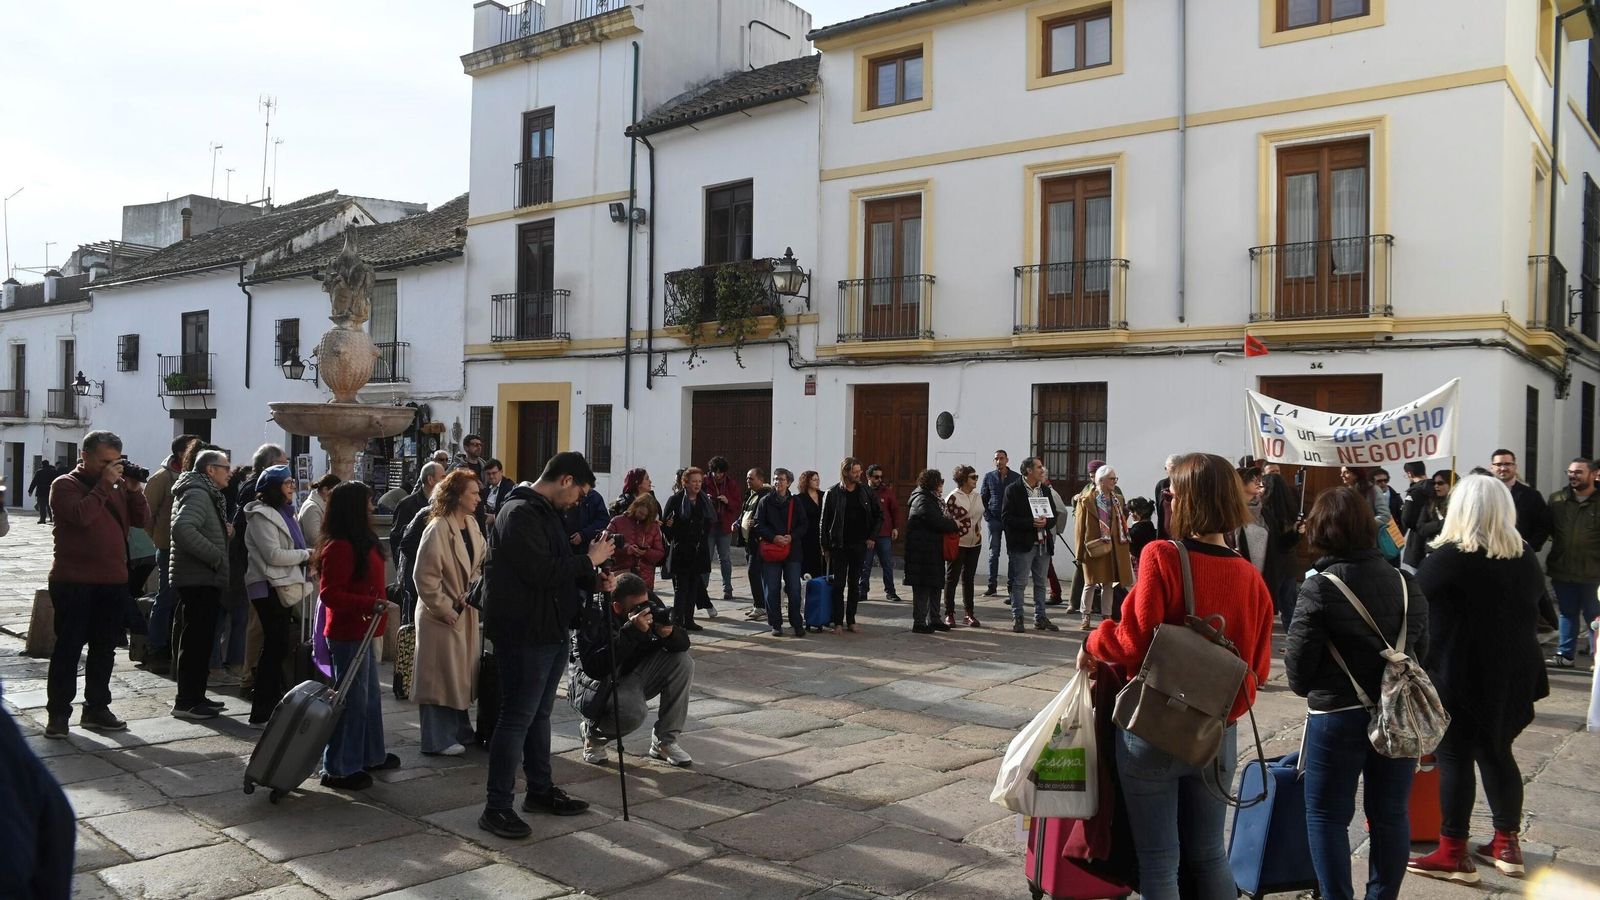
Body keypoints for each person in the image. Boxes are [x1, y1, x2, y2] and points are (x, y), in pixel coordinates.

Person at [1079, 452, 1275, 900]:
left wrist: (1092, 643)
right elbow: (1257, 672)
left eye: (1172, 490)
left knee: (1160, 863)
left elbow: (1131, 640)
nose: (1167, 496)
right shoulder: (1251, 578)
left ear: (1188, 501)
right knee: (1209, 856)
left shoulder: (1162, 556)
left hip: (1154, 729)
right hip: (1216, 733)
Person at [1287, 486, 1429, 900]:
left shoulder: (1319, 588)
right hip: (1397, 715)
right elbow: (1423, 654)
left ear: (1320, 531)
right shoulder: (1408, 585)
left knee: (1328, 816)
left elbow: (1297, 675)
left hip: (1337, 716)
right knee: (1389, 815)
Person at [1410, 474, 1548, 883]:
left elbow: (1413, 599)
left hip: (1462, 672)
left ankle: (1453, 851)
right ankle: (1507, 845)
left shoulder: (1453, 555)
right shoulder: (1522, 555)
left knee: (1455, 756)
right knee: (1497, 751)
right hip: (1513, 674)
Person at [479, 452, 616, 839]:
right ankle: (496, 806)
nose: (578, 502)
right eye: (580, 493)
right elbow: (540, 572)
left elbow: (560, 565)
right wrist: (588, 561)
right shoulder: (519, 512)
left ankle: (539, 790)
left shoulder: (545, 511)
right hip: (524, 632)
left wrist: (592, 577)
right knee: (516, 717)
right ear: (566, 480)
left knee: (539, 715)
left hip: (551, 627)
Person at [42, 431, 149, 738]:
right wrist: (105, 484)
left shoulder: (116, 486)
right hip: (73, 582)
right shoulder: (63, 485)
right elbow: (81, 516)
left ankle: (97, 708)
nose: (112, 467)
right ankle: (59, 714)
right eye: (105, 461)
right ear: (84, 455)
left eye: (116, 461)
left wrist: (132, 490)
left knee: (104, 649)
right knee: (68, 649)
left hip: (112, 581)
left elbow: (141, 520)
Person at [316, 481, 398, 789]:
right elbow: (330, 595)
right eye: (367, 502)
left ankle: (369, 754)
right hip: (349, 633)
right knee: (351, 701)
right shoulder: (339, 546)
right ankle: (339, 767)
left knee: (370, 698)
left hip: (364, 629)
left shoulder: (362, 540)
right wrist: (371, 603)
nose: (373, 507)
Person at [571, 573, 693, 767]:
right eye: (637, 608)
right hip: (601, 683)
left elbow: (683, 643)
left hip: (635, 672)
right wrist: (632, 631)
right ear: (617, 607)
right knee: (633, 713)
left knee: (682, 661)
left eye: (646, 603)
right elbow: (595, 667)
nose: (645, 609)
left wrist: (669, 634)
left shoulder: (647, 600)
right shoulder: (594, 611)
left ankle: (665, 741)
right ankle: (593, 736)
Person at [411, 469, 485, 757]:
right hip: (440, 615)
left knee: (459, 675)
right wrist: (444, 608)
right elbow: (424, 576)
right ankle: (437, 739)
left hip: (464, 610)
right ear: (456, 496)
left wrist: (474, 590)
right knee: (438, 678)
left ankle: (460, 730)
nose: (479, 497)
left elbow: (479, 562)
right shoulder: (438, 527)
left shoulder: (471, 523)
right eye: (474, 493)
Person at [242, 465, 313, 726]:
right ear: (274, 488)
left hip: (281, 584)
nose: (292, 487)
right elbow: (273, 555)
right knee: (275, 644)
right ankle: (262, 707)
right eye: (287, 483)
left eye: (292, 482)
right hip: (267, 586)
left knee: (279, 643)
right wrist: (308, 555)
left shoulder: (286, 514)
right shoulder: (262, 516)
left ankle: (271, 701)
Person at [168, 447, 232, 721]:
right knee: (195, 642)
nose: (230, 472)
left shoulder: (205, 493)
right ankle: (186, 702)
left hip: (202, 577)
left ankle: (196, 695)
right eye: (225, 467)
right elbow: (182, 529)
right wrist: (215, 555)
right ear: (210, 470)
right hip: (198, 578)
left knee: (201, 641)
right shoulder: (197, 492)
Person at [142, 434, 200, 673]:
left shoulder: (195, 476)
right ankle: (156, 648)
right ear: (181, 454)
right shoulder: (162, 478)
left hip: (189, 550)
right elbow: (146, 515)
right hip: (167, 549)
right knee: (165, 598)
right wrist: (159, 538)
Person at [1545, 457, 1600, 668]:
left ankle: (1597, 657)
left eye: (1578, 472)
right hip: (1563, 570)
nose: (1573, 476)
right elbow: (1546, 528)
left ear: (1593, 474)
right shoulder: (1557, 500)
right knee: (1567, 613)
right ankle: (1565, 655)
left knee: (1594, 616)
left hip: (1594, 572)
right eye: (1570, 472)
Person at [1236, 468, 1303, 630]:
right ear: (1240, 483)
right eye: (1254, 478)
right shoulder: (1231, 511)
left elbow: (1278, 544)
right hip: (1240, 580)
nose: (1259, 482)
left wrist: (1295, 533)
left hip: (1263, 579)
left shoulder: (1264, 511)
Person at [820, 457, 881, 633]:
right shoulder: (832, 493)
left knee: (855, 584)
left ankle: (851, 620)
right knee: (838, 584)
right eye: (855, 472)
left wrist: (872, 536)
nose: (858, 474)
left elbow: (878, 515)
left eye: (859, 471)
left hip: (860, 545)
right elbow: (823, 523)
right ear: (846, 472)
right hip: (839, 545)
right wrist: (825, 547)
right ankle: (837, 621)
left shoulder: (866, 491)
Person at [1003, 457, 1060, 633]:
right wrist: (1030, 522)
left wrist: (1046, 523)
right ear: (1028, 470)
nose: (1042, 470)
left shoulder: (1044, 490)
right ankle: (1018, 617)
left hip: (1043, 543)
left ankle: (1040, 617)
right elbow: (1006, 518)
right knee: (1019, 582)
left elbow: (1053, 515)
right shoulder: (1013, 490)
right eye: (1038, 467)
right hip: (1023, 544)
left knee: (1041, 583)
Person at [1074, 465, 1132, 630]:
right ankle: (1085, 616)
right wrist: (1079, 553)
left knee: (1109, 583)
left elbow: (1121, 522)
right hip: (1093, 547)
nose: (1115, 482)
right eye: (1112, 479)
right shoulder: (1086, 500)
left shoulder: (1118, 499)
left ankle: (1107, 616)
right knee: (1090, 583)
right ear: (1101, 480)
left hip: (1113, 547)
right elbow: (1079, 528)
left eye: (1115, 479)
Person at [753, 469, 808, 637]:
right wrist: (773, 537)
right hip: (771, 550)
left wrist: (791, 537)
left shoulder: (796, 502)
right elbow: (758, 523)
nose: (778, 482)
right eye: (776, 479)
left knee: (794, 587)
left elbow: (804, 524)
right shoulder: (765, 501)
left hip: (792, 550)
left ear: (789, 482)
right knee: (771, 588)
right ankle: (775, 623)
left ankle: (796, 623)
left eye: (782, 479)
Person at [904, 468, 958, 634]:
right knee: (922, 587)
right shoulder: (922, 499)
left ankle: (934, 619)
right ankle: (919, 622)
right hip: (921, 552)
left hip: (932, 549)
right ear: (932, 483)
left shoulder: (932, 498)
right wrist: (953, 524)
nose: (942, 485)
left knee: (935, 585)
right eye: (939, 481)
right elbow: (935, 521)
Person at [663, 467, 717, 632]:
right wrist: (670, 526)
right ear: (685, 482)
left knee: (694, 586)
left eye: (700, 481)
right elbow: (666, 527)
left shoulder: (704, 501)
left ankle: (689, 619)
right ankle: (678, 620)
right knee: (681, 587)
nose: (697, 485)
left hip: (698, 550)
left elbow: (708, 524)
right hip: (681, 549)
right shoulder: (675, 500)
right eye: (694, 481)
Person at [943, 465, 984, 627]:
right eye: (973, 477)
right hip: (958, 542)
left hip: (975, 542)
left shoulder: (978, 495)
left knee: (969, 579)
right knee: (952, 578)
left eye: (976, 477)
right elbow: (947, 521)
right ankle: (949, 613)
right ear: (963, 479)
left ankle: (969, 614)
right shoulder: (953, 498)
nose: (976, 480)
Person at [860, 465, 904, 603]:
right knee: (865, 565)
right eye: (876, 477)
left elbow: (895, 509)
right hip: (867, 535)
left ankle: (890, 592)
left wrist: (896, 527)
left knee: (887, 564)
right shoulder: (862, 491)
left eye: (881, 477)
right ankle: (862, 591)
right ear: (868, 477)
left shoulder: (886, 492)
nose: (879, 479)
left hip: (884, 533)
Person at [980, 450, 1020, 596]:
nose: (999, 461)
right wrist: (987, 516)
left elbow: (1019, 499)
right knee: (993, 553)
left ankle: (1011, 587)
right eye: (996, 459)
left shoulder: (1016, 477)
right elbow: (983, 497)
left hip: (1010, 521)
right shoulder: (989, 477)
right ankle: (992, 586)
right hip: (994, 520)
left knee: (1012, 554)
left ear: (1007, 460)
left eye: (1001, 458)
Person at [607, 494, 666, 591]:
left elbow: (660, 553)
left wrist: (646, 553)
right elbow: (606, 541)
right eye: (640, 512)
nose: (642, 517)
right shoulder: (618, 521)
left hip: (644, 578)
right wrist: (626, 549)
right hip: (621, 573)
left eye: (645, 515)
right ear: (635, 506)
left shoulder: (653, 527)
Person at [391, 462, 444, 566]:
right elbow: (397, 540)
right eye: (442, 477)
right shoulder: (407, 505)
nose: (445, 481)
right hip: (414, 568)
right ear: (430, 479)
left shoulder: (443, 504)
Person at [704, 456, 741, 604]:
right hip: (709, 526)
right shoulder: (705, 482)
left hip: (725, 526)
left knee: (724, 558)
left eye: (720, 472)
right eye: (715, 472)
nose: (717, 475)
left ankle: (728, 588)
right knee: (706, 558)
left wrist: (727, 501)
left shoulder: (731, 483)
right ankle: (703, 588)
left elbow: (737, 504)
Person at [739, 468, 771, 619]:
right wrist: (738, 522)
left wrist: (756, 523)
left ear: (760, 480)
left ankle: (761, 606)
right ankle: (759, 604)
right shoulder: (751, 495)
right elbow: (745, 513)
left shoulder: (766, 496)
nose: (748, 481)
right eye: (747, 478)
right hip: (748, 542)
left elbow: (767, 518)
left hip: (758, 542)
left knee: (754, 573)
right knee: (755, 574)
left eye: (751, 478)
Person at [794, 470, 825, 579]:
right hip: (807, 536)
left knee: (823, 566)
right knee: (808, 565)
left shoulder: (824, 495)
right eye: (814, 480)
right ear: (807, 481)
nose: (817, 482)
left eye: (818, 479)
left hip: (822, 535)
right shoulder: (799, 498)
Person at [296, 473, 340, 549]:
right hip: (313, 553)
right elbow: (314, 538)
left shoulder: (322, 503)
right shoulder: (312, 507)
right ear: (325, 490)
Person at [1399, 461, 1431, 534]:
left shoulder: (1414, 491)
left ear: (1410, 474)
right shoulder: (1437, 487)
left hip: (1418, 535)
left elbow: (1407, 520)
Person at [1153, 453, 1179, 540]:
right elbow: (1159, 511)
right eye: (1165, 468)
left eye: (1168, 467)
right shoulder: (1161, 485)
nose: (1165, 470)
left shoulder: (1186, 485)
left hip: (1182, 535)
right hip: (1164, 536)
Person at [27, 458, 56, 524]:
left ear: (42, 465)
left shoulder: (39, 472)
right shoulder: (53, 472)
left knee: (42, 506)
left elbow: (34, 482)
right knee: (50, 506)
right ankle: (52, 518)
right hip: (50, 491)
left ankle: (42, 519)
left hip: (41, 491)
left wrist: (30, 491)